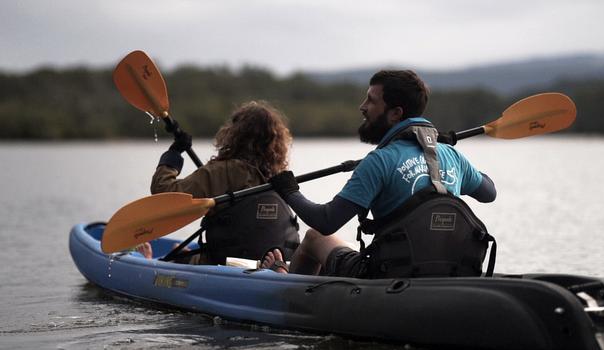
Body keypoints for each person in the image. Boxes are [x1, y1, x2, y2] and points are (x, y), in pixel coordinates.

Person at [262, 70, 497, 278]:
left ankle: (288, 291)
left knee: (314, 237)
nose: (362, 106)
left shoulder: (379, 161)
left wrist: (290, 191)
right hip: (450, 271)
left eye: (371, 100)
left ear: (396, 113)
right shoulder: (451, 155)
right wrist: (448, 152)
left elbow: (326, 221)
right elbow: (489, 192)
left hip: (389, 274)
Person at [141, 100, 301, 265]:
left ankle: (153, 262)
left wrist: (173, 155)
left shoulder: (222, 171)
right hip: (278, 263)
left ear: (234, 134)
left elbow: (163, 192)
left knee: (178, 253)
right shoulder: (281, 177)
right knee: (183, 253)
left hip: (224, 264)